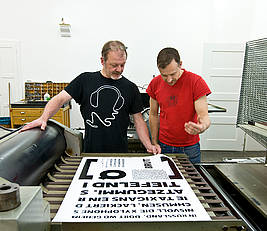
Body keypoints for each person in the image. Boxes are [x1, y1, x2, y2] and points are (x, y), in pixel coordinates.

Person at [21, 40, 160, 154]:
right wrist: (43, 118)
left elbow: (139, 120)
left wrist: (149, 145)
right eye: (114, 65)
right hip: (91, 152)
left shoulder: (130, 87)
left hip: (120, 152)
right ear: (102, 61)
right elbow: (60, 99)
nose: (119, 69)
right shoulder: (85, 80)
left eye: (122, 65)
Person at [146, 47, 211, 163]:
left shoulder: (195, 82)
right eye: (164, 75)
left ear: (180, 64)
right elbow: (153, 115)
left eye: (173, 74)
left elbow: (204, 115)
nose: (169, 80)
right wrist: (154, 142)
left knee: (192, 180)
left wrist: (202, 127)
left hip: (189, 147)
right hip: (164, 145)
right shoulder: (155, 83)